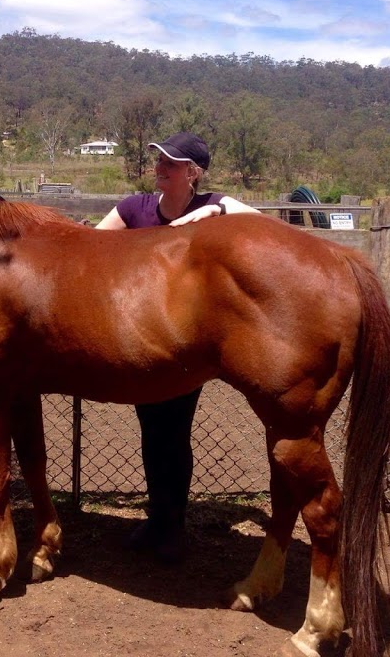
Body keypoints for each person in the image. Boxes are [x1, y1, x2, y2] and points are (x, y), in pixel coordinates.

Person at [96, 132, 260, 563]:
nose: (160, 167)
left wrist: (216, 209)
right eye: (159, 160)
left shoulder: (211, 206)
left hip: (185, 348)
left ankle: (173, 527)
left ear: (193, 172)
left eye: (170, 162)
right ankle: (158, 522)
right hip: (138, 344)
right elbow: (92, 246)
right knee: (153, 434)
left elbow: (261, 220)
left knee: (175, 433)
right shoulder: (135, 209)